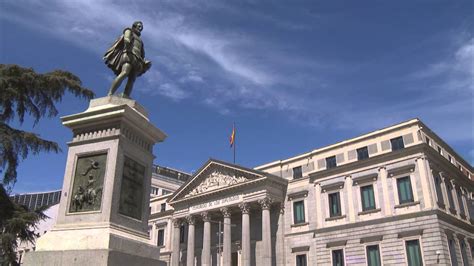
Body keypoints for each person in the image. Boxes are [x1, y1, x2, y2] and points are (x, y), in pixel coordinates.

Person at [104, 21, 152, 98]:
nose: (140, 29)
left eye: (141, 28)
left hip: (138, 60)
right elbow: (126, 37)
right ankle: (110, 93)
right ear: (134, 26)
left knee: (132, 79)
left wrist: (145, 62)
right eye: (139, 26)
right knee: (124, 72)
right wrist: (127, 40)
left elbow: (142, 53)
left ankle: (125, 95)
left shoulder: (140, 41)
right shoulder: (129, 30)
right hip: (129, 55)